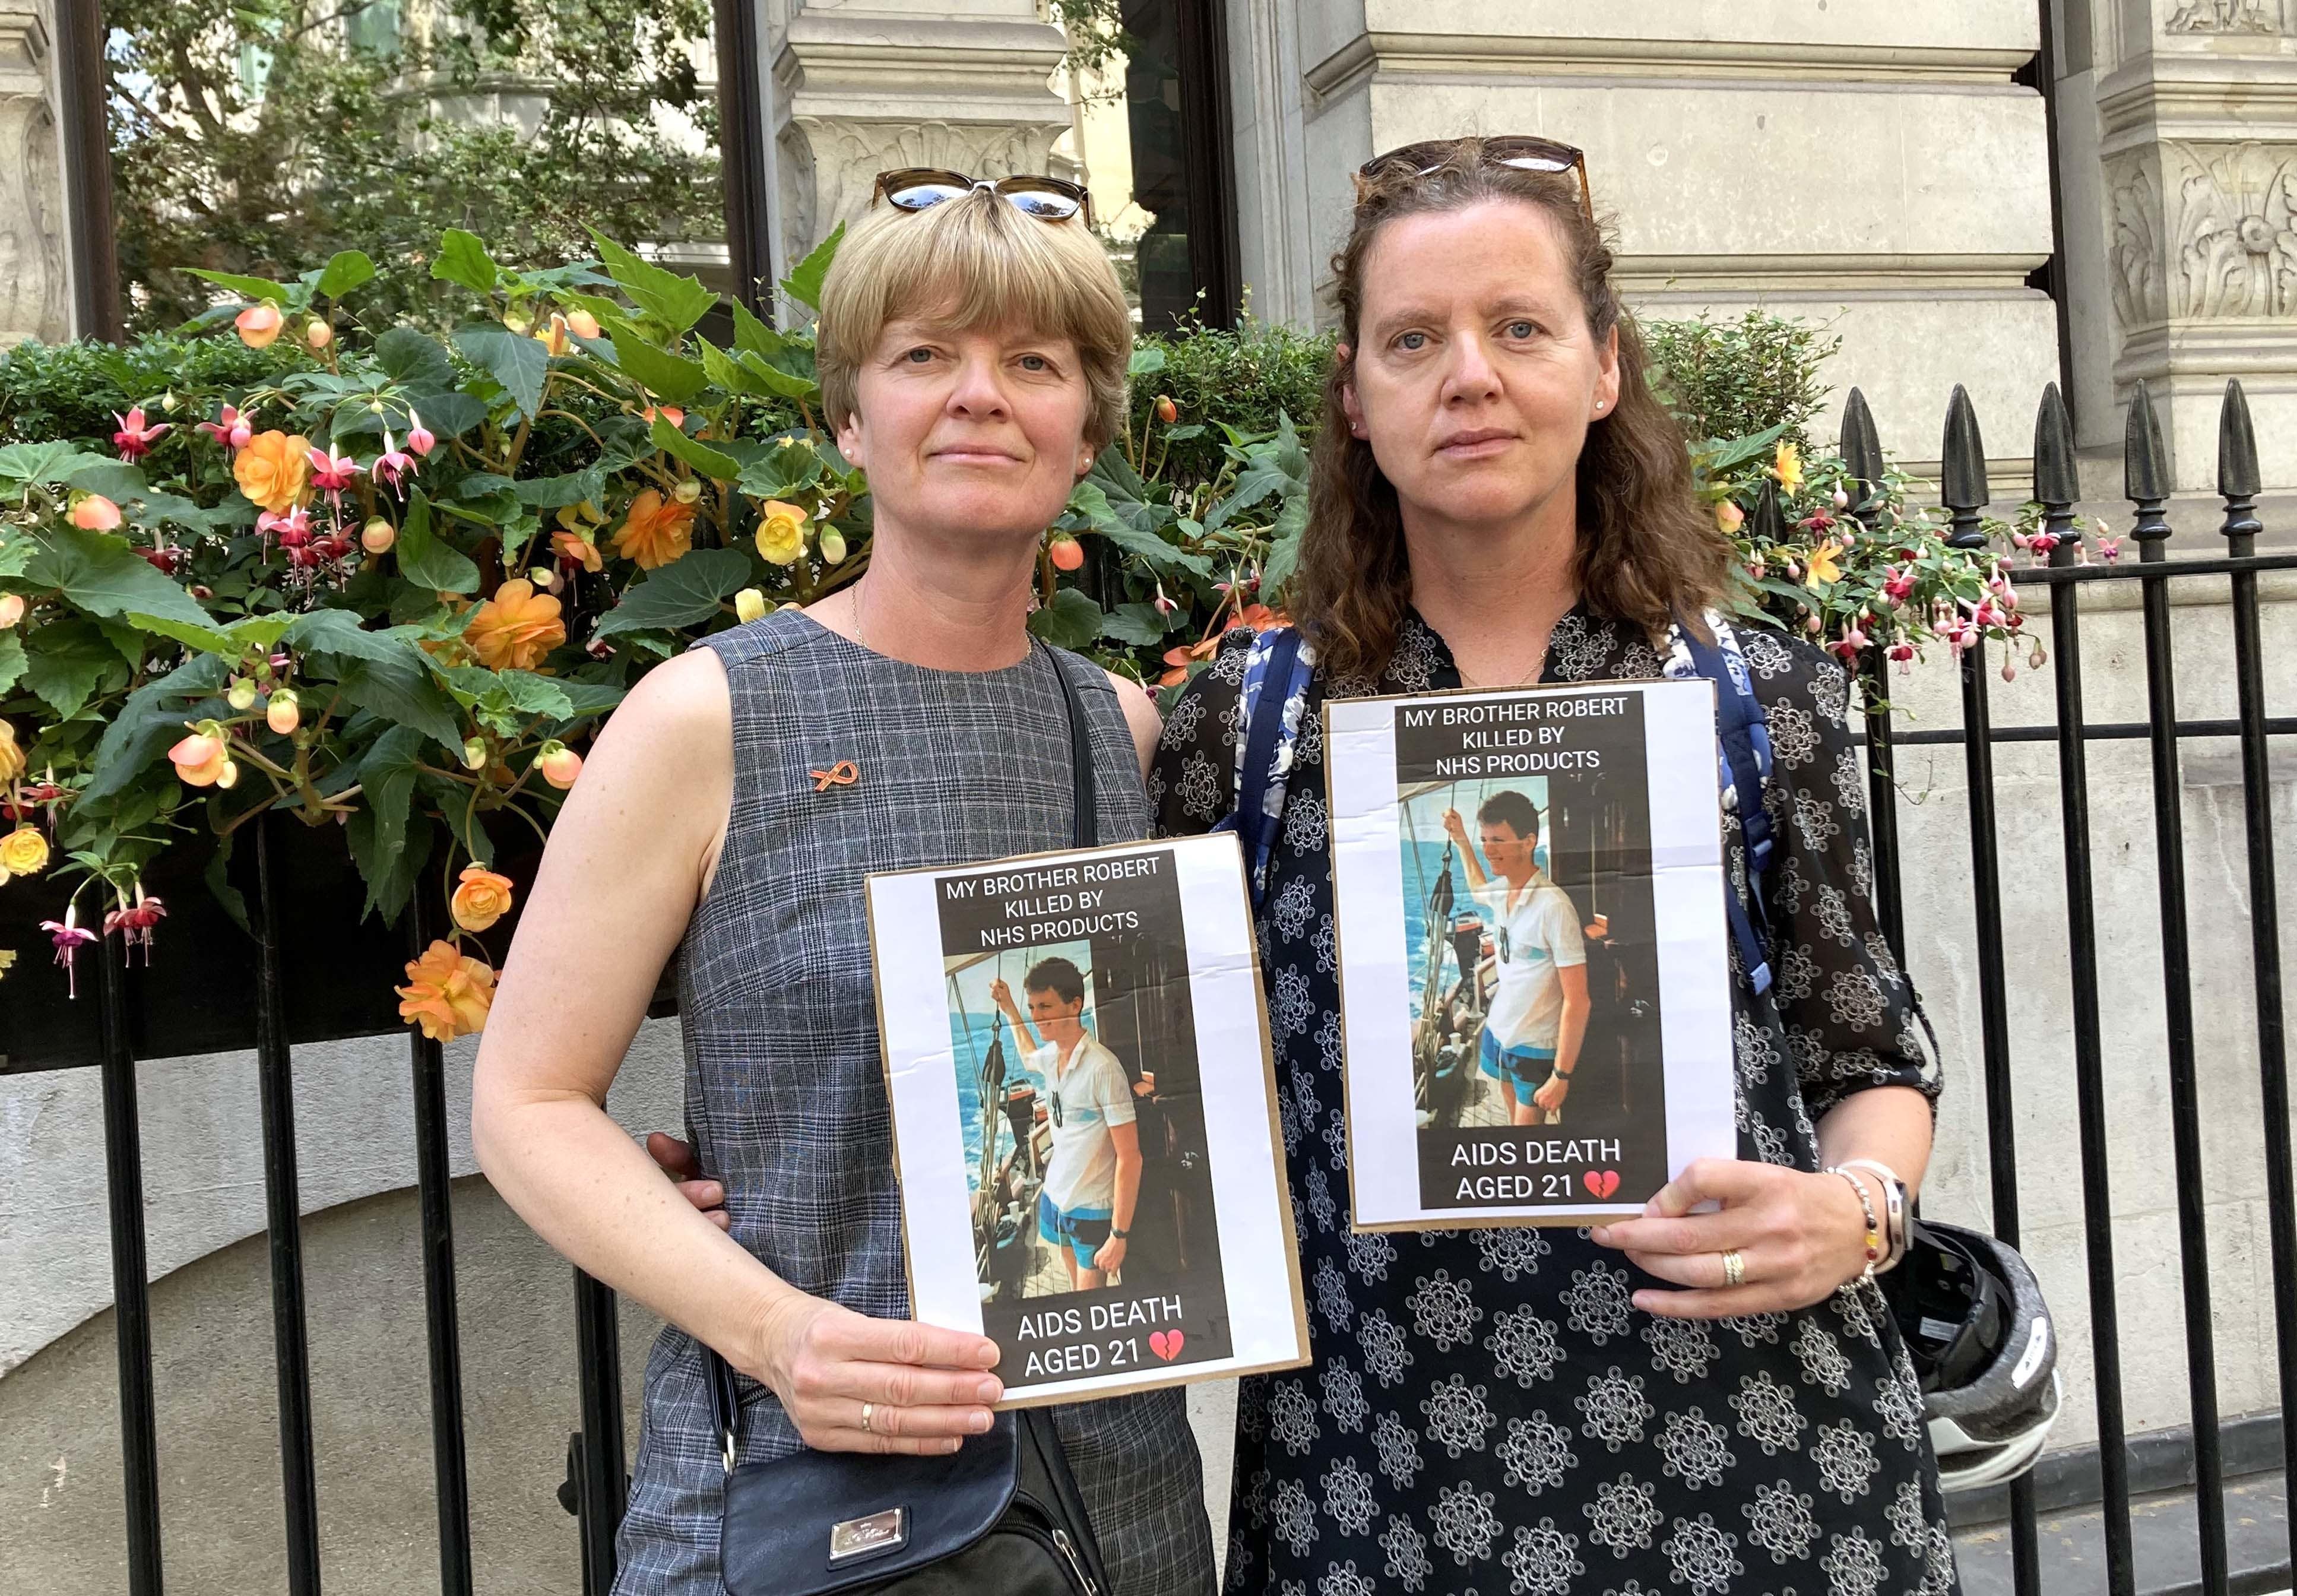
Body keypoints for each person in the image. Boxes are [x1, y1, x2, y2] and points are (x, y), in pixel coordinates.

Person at [1151, 137, 1953, 1594]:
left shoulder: (1756, 699)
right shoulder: (1245, 731)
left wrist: (1856, 1215)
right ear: (1353, 397)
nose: (1469, 375)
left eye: (1519, 326)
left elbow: (1868, 1052)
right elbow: (1169, 1100)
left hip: (1760, 1472)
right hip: (1384, 1491)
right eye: (1414, 339)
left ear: (1602, 368)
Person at [472, 173, 1212, 1595]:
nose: (980, 396)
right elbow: (527, 1101)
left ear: (1085, 430)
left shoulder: (1115, 728)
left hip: (1111, 1499)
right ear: (848, 416)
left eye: (1034, 364)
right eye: (924, 354)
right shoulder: (709, 719)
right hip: (805, 1503)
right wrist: (774, 1333)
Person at [991, 959, 1143, 1288]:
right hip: (1054, 1197)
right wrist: (1010, 1010)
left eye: (1045, 1006)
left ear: (1075, 1005)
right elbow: (1028, 1052)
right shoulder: (1052, 1057)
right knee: (1074, 1292)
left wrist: (1119, 1234)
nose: (1037, 1016)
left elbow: (1130, 1157)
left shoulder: (1103, 1068)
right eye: (1033, 1006)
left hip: (1091, 1209)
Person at [1440, 790, 1589, 1123]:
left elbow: (1578, 1001)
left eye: (1499, 840)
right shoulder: (1504, 891)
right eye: (1485, 839)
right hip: (1500, 1030)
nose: (1489, 849)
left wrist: (1561, 1076)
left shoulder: (1554, 907)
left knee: (1525, 1144)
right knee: (1511, 1126)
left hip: (1534, 1045)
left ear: (1528, 842)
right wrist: (1463, 840)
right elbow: (1479, 888)